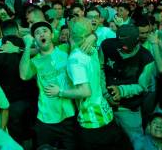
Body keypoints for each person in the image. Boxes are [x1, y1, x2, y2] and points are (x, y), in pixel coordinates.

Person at [45, 17, 131, 150]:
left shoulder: (75, 59)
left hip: (92, 120)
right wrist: (93, 36)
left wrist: (60, 92)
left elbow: (85, 91)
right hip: (105, 113)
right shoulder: (92, 50)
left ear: (71, 33)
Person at [19, 21, 77, 149]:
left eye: (45, 31)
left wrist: (93, 36)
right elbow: (24, 75)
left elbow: (80, 35)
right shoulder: (35, 61)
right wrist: (28, 46)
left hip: (69, 116)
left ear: (51, 34)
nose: (41, 34)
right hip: (46, 119)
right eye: (37, 33)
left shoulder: (65, 50)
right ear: (35, 39)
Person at [100, 24, 156, 150]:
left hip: (129, 108)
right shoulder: (107, 45)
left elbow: (142, 86)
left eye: (126, 48)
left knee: (137, 142)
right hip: (105, 105)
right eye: (120, 47)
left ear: (136, 41)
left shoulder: (146, 58)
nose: (122, 50)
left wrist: (122, 90)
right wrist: (106, 94)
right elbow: (100, 68)